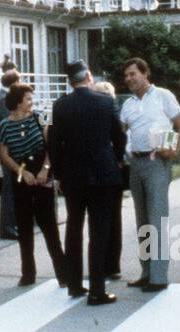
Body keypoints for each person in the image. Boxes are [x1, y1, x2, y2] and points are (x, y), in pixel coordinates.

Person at [49, 61, 125, 304]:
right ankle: (97, 289)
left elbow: (53, 142)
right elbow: (119, 136)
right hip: (102, 173)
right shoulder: (105, 102)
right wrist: (117, 159)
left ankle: (73, 284)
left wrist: (59, 173)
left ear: (70, 81)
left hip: (73, 175)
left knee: (73, 229)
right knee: (99, 232)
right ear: (89, 76)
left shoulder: (60, 105)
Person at [120, 57, 180, 290]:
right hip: (136, 163)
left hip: (157, 161)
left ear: (145, 73)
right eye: (126, 76)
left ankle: (159, 277)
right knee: (142, 221)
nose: (129, 79)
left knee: (156, 219)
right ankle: (146, 271)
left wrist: (176, 151)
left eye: (133, 74)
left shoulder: (163, 95)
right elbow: (122, 133)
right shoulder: (128, 104)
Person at [0, 83, 66, 288]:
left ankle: (63, 274)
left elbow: (52, 145)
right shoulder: (4, 125)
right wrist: (21, 172)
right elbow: (3, 154)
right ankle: (28, 273)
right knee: (24, 226)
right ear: (18, 103)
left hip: (42, 171)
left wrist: (45, 169)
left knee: (49, 226)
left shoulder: (40, 117)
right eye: (28, 99)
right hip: (21, 175)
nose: (32, 102)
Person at [92, 80, 126, 279]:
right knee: (113, 220)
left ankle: (102, 264)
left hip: (95, 171)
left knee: (99, 221)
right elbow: (120, 137)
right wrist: (119, 159)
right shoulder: (112, 111)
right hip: (111, 169)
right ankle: (112, 266)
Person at [0, 67, 20, 240]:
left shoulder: (5, 97)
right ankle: (7, 227)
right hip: (8, 150)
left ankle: (12, 223)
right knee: (9, 189)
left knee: (13, 188)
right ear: (15, 83)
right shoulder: (4, 99)